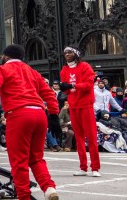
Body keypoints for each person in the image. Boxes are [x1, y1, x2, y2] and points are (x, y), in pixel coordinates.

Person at [0, 44, 61, 200]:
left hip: (19, 114)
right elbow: (48, 93)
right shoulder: (32, 72)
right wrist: (54, 115)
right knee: (37, 158)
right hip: (40, 114)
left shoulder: (1, 69)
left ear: (6, 56)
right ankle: (49, 187)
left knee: (19, 161)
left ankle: (24, 196)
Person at [59, 46, 101, 177]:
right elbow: (66, 91)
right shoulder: (64, 70)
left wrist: (72, 85)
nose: (67, 55)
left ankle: (95, 168)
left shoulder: (85, 66)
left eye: (70, 52)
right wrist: (64, 87)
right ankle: (83, 167)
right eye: (65, 53)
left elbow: (88, 85)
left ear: (76, 54)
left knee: (91, 137)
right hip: (73, 106)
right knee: (79, 138)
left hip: (86, 106)